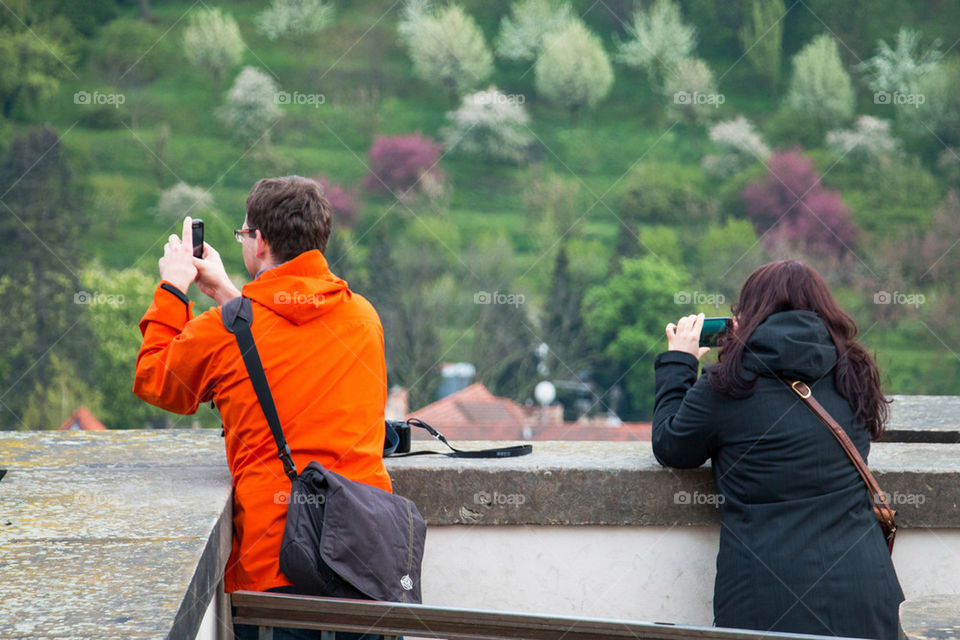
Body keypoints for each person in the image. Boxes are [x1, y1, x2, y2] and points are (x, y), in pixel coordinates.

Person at [133, 176, 389, 640]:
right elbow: (288, 339)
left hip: (278, 570)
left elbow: (156, 380)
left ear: (262, 242)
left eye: (243, 233)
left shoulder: (225, 331)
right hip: (367, 565)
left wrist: (174, 286)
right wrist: (227, 292)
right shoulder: (363, 317)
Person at [652, 260, 904, 640]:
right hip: (865, 587)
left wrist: (680, 362)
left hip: (767, 596)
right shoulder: (852, 371)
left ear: (747, 315)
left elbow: (672, 446)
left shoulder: (728, 384)